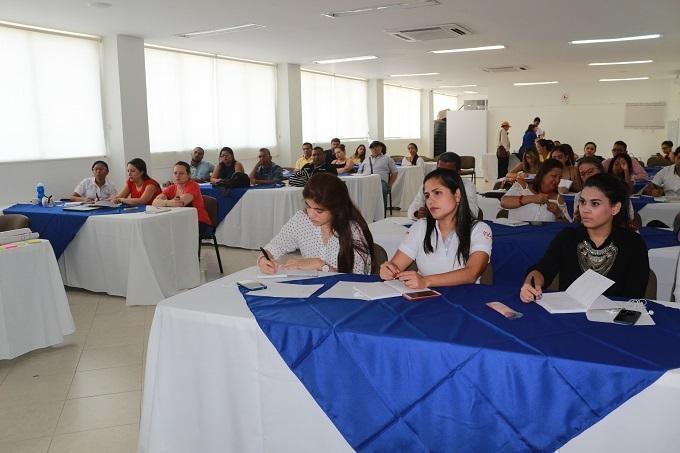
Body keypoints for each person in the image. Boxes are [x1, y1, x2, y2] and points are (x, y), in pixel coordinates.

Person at [520, 173, 649, 302]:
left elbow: (635, 296)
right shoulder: (568, 237)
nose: (585, 210)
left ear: (615, 208)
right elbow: (543, 269)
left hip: (614, 318)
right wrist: (530, 284)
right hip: (570, 316)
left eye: (595, 204)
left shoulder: (633, 244)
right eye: (582, 202)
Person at [380, 169, 492, 289]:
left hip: (464, 300)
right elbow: (396, 265)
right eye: (427, 196)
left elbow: (471, 273)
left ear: (457, 195)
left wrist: (426, 281)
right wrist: (388, 269)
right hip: (425, 298)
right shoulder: (420, 227)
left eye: (437, 193)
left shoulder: (479, 230)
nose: (430, 201)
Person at [259, 173, 374, 275]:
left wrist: (321, 265)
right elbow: (275, 246)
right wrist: (263, 259)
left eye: (319, 211)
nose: (311, 215)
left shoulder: (353, 231)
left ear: (336, 209)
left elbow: (358, 280)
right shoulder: (301, 220)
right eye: (308, 206)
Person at [408, 152, 479, 220]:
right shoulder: (429, 184)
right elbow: (413, 207)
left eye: (447, 172)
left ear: (458, 172)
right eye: (440, 170)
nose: (442, 174)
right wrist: (417, 213)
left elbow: (473, 213)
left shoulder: (467, 186)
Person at [500, 158, 570, 222]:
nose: (557, 180)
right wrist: (532, 198)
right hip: (514, 234)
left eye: (559, 178)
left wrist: (558, 214)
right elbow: (504, 202)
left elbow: (568, 228)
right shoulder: (523, 186)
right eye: (554, 176)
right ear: (542, 174)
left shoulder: (558, 199)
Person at [573, 157, 636, 226]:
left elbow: (630, 217)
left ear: (600, 170)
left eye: (590, 171)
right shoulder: (579, 196)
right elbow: (578, 221)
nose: (587, 176)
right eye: (582, 174)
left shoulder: (618, 191)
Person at [153, 161, 211, 235]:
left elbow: (179, 203)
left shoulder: (193, 185)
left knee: (168, 231)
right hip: (179, 220)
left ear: (189, 175)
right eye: (175, 173)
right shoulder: (172, 187)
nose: (177, 176)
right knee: (160, 228)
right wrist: (168, 202)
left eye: (181, 173)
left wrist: (164, 202)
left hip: (198, 221)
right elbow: (154, 202)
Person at [358, 140, 398, 210]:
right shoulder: (366, 159)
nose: (375, 149)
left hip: (381, 182)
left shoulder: (387, 159)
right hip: (366, 180)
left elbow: (395, 172)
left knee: (382, 188)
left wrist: (390, 185)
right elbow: (359, 172)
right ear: (370, 149)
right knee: (357, 189)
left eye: (377, 147)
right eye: (373, 147)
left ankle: (381, 211)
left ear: (382, 148)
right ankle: (365, 210)